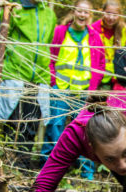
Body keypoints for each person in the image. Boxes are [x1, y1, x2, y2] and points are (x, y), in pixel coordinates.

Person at [40, 0, 105, 180]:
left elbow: (100, 64)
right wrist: (52, 80)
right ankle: (50, 168)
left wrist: (92, 88)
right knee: (55, 126)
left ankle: (86, 172)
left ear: (90, 15)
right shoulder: (60, 32)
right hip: (60, 89)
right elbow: (50, 57)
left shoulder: (94, 37)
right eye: (79, 11)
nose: (82, 15)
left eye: (86, 12)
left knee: (85, 129)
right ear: (74, 11)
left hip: (83, 91)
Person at [0, 0, 56, 169]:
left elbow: (48, 42)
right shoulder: (14, 9)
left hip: (39, 75)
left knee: (32, 121)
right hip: (16, 72)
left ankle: (23, 164)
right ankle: (2, 160)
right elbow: (3, 36)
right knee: (10, 118)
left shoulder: (49, 14)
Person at [91, 0, 126, 90]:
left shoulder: (124, 30)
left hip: (118, 77)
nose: (111, 18)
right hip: (99, 77)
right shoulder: (94, 29)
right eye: (108, 13)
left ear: (120, 15)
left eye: (115, 15)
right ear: (102, 12)